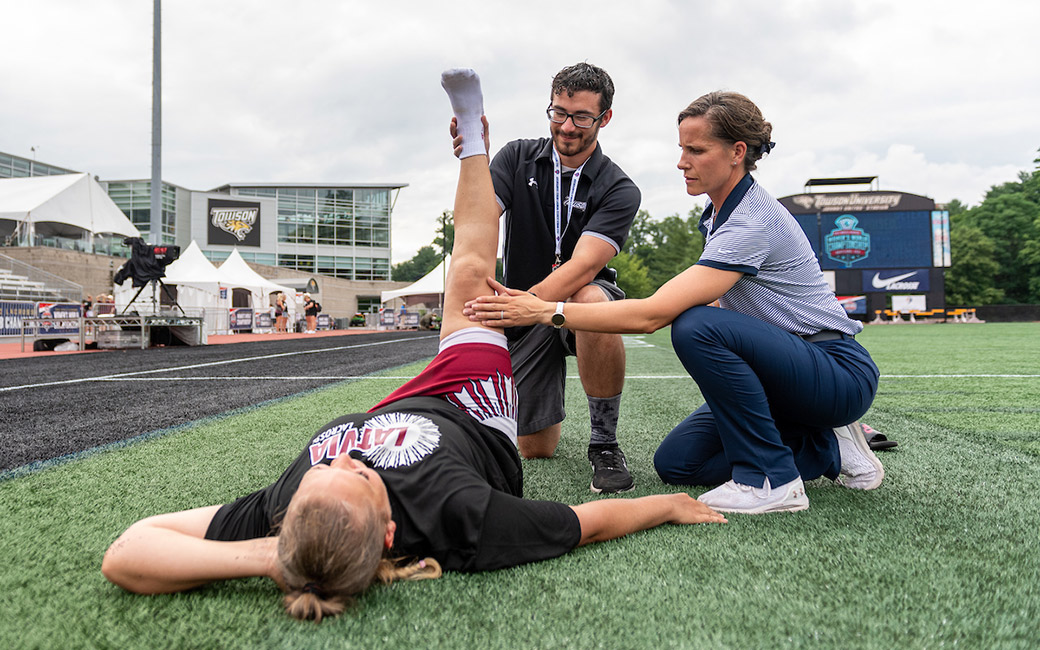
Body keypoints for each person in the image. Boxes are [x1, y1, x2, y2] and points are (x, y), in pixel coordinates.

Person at [101, 69, 727, 621]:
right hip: (471, 403)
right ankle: (477, 152)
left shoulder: (296, 502)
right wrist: (666, 505)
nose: (341, 462)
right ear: (389, 531)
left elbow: (129, 550)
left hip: (514, 328)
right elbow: (583, 525)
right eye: (353, 481)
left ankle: (470, 144)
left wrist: (281, 553)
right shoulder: (455, 514)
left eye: (327, 471)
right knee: (531, 429)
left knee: (487, 273)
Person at [465, 90, 885, 515]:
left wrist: (541, 310)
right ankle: (828, 447)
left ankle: (773, 480)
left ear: (737, 152)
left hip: (834, 370)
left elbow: (653, 315)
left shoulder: (751, 219)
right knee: (680, 462)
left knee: (694, 324)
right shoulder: (720, 212)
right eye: (681, 148)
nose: (682, 161)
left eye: (696, 150)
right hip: (789, 374)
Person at [455, 62, 641, 494]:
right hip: (521, 305)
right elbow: (476, 222)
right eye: (558, 112)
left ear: (604, 118)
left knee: (591, 299)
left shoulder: (619, 187)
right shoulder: (517, 156)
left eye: (581, 117)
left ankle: (604, 443)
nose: (567, 126)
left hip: (570, 303)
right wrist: (473, 161)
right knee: (535, 448)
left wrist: (525, 306)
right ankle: (545, 416)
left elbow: (583, 266)